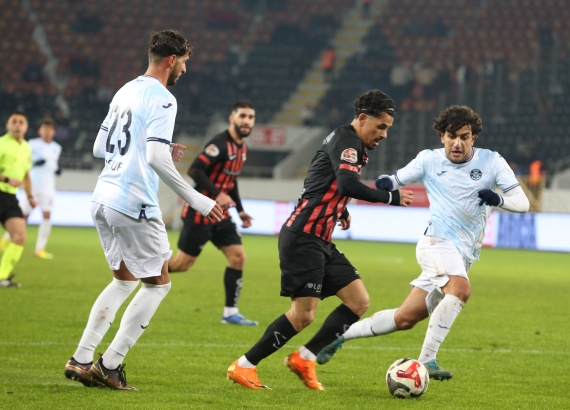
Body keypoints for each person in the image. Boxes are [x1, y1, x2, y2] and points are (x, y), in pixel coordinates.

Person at [315, 105, 530, 380]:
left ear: (473, 137)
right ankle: (427, 361)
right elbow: (394, 179)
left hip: (463, 253)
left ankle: (338, 336)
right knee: (461, 290)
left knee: (405, 318)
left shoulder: (492, 161)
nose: (457, 143)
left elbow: (522, 203)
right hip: (436, 242)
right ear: (442, 136)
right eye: (452, 136)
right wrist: (384, 184)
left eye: (464, 137)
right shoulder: (428, 159)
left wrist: (498, 199)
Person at [63, 29, 223, 391]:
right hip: (133, 201)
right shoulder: (164, 99)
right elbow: (153, 158)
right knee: (158, 285)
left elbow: (99, 147)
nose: (185, 69)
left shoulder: (125, 90)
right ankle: (109, 365)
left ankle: (81, 359)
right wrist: (197, 199)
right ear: (172, 60)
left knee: (123, 281)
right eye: (184, 62)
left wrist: (155, 148)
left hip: (103, 197)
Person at [227, 90, 414, 390]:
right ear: (362, 119)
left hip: (320, 238)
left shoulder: (347, 140)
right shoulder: (348, 142)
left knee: (358, 300)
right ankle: (245, 365)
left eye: (387, 128)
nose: (384, 134)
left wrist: (340, 209)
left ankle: (305, 357)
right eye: (381, 126)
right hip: (304, 237)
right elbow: (346, 183)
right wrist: (389, 197)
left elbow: (321, 180)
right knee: (303, 315)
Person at [168, 100, 258, 326]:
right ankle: (141, 271)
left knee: (238, 257)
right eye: (242, 116)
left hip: (221, 215)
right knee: (181, 264)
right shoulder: (219, 144)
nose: (246, 121)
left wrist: (240, 211)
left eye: (250, 117)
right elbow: (195, 170)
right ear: (232, 118)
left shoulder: (243, 149)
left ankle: (230, 313)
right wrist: (218, 194)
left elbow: (231, 182)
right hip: (200, 213)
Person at [15, 118, 61, 259]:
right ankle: (9, 239)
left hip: (48, 187)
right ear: (39, 131)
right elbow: (25, 161)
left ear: (53, 132)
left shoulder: (57, 147)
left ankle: (40, 249)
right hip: (32, 186)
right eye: (44, 128)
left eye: (50, 129)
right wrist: (35, 162)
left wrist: (57, 169)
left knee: (47, 215)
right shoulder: (32, 144)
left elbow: (53, 165)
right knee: (23, 216)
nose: (47, 131)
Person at [0, 112, 37, 288]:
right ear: (7, 125)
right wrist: (6, 179)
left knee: (19, 236)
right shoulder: (1, 143)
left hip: (9, 198)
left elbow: (26, 175)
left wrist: (30, 196)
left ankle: (2, 277)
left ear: (26, 127)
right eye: (13, 121)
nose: (17, 125)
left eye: (21, 122)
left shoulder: (26, 148)